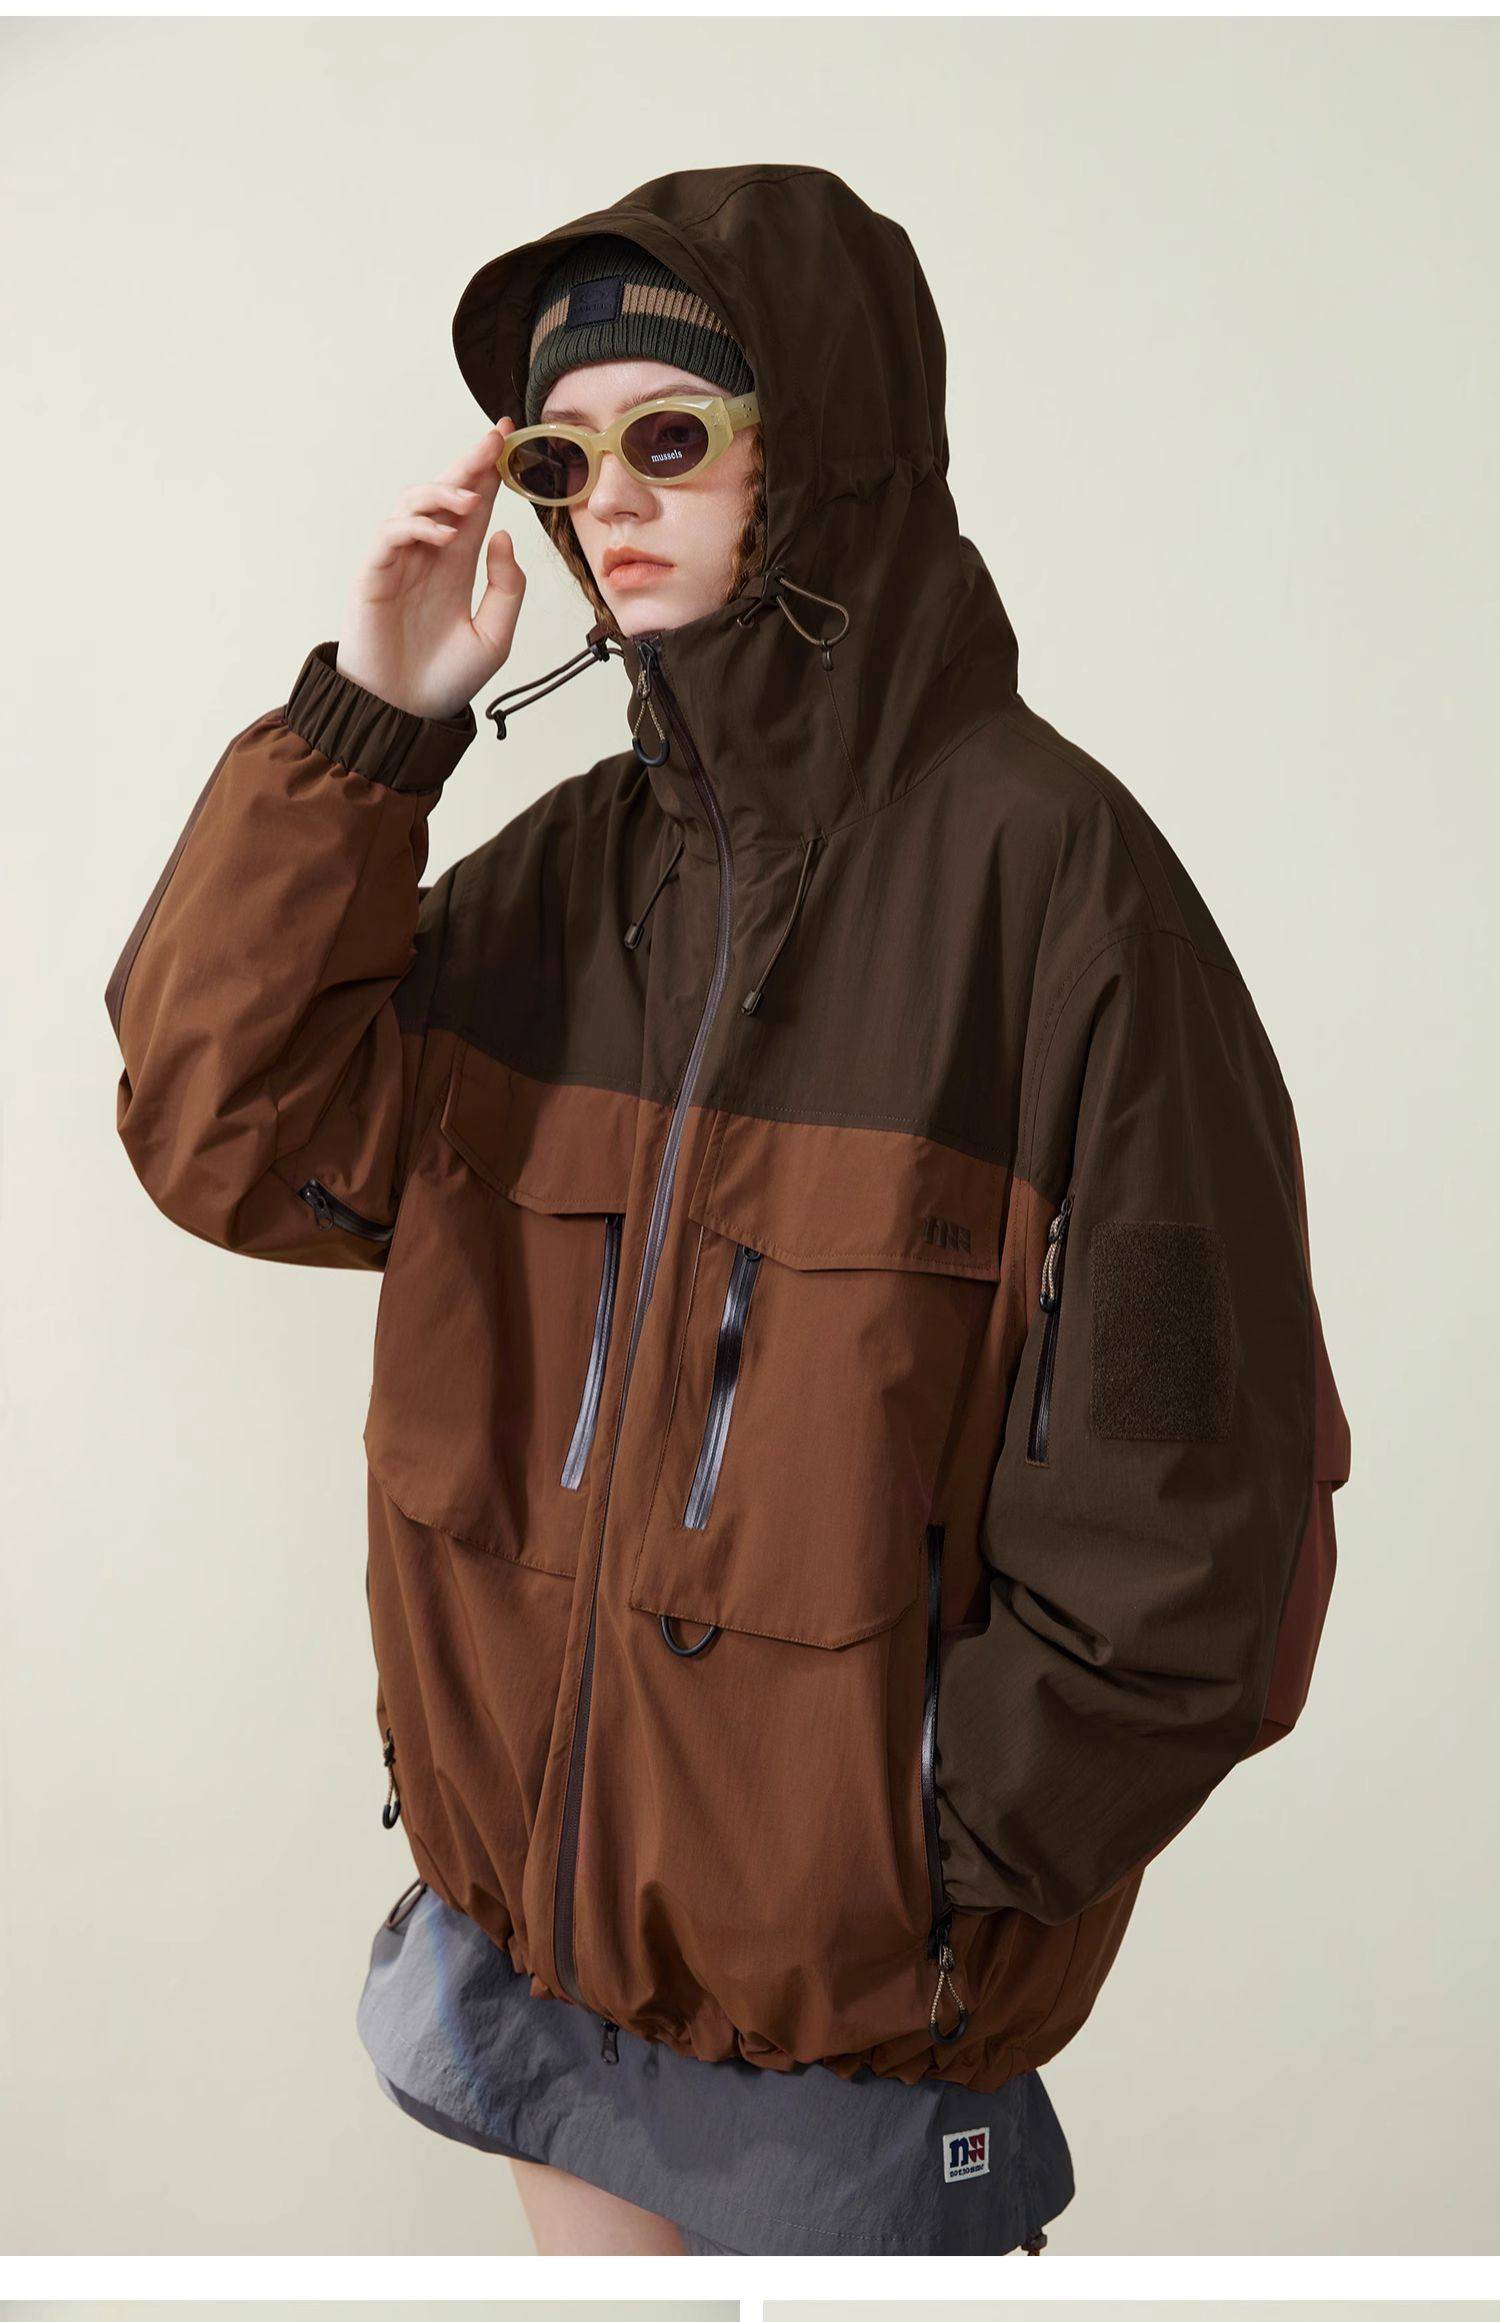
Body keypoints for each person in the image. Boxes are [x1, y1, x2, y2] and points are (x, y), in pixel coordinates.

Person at [105, 165, 1351, 2257]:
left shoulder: (1067, 903)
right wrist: (373, 726)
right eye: (559, 459)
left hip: (852, 2011)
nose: (606, 502)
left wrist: (909, 1850)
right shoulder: (571, 878)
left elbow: (1200, 1510)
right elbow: (223, 1129)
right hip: (536, 1947)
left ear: (824, 448)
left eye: (670, 437)